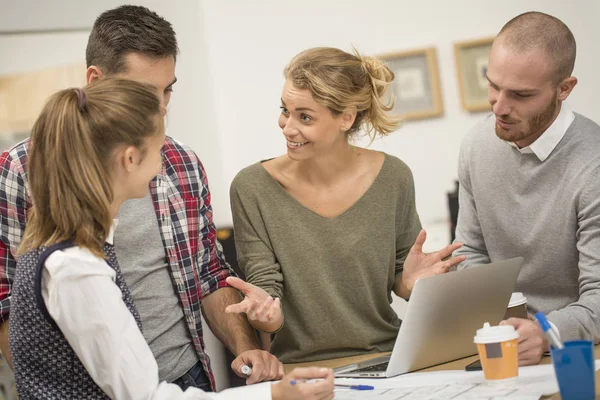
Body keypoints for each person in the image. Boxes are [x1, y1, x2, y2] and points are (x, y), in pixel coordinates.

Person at [0, 5, 282, 390]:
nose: (162, 107)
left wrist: (245, 347)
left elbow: (208, 274)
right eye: (147, 94)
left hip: (184, 377)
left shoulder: (181, 162)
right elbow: (9, 301)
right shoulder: (21, 172)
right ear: (95, 80)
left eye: (168, 89)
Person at [8, 78, 335, 400]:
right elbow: (147, 397)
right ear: (131, 159)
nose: (165, 160)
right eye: (159, 147)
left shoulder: (62, 247)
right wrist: (274, 395)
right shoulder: (76, 268)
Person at [225, 47, 466, 363]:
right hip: (302, 368)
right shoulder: (252, 187)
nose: (287, 126)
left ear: (346, 117)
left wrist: (410, 284)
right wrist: (263, 315)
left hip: (389, 357)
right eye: (285, 110)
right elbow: (267, 296)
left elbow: (402, 279)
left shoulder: (394, 176)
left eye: (305, 117)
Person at [454, 11, 600, 366]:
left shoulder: (593, 164)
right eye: (492, 85)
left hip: (578, 350)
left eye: (520, 94)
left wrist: (546, 332)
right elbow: (470, 252)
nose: (499, 107)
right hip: (502, 345)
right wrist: (499, 327)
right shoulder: (476, 145)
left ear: (564, 89)